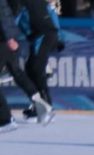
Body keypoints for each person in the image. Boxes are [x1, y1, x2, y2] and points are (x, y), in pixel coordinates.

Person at [0, 0, 53, 132]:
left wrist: (9, 38)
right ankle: (41, 104)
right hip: (7, 40)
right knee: (18, 73)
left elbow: (3, 15)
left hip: (4, 40)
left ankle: (5, 119)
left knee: (20, 72)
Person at [12, 0, 62, 122]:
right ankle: (41, 106)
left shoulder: (18, 4)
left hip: (42, 35)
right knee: (32, 69)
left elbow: (13, 22)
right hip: (47, 34)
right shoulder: (39, 2)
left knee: (35, 69)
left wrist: (7, 37)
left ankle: (45, 107)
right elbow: (52, 14)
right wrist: (57, 35)